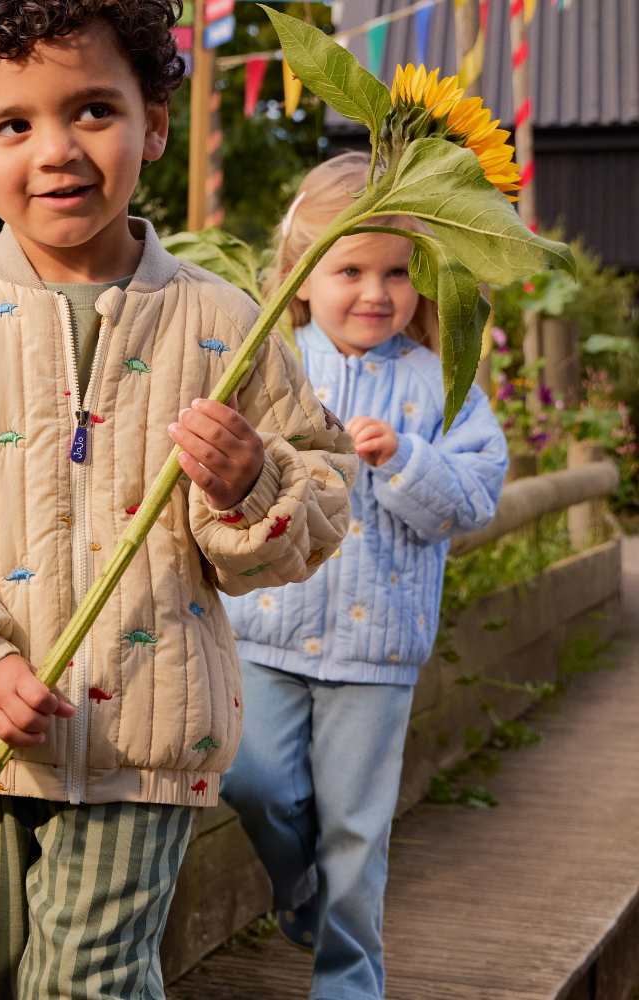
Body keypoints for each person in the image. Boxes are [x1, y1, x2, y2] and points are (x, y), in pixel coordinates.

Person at [0, 4, 356, 998]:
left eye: (92, 110)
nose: (56, 149)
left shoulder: (226, 322)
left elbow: (315, 497)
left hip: (138, 736)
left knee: (86, 980)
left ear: (152, 122)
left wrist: (248, 485)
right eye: (12, 125)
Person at [221, 152, 508, 1000]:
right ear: (302, 279)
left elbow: (474, 498)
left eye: (398, 273)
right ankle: (301, 891)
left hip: (376, 647)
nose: (376, 293)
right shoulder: (270, 364)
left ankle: (349, 982)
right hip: (267, 626)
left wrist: (405, 459)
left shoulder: (440, 386)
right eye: (350, 269)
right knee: (251, 780)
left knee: (357, 826)